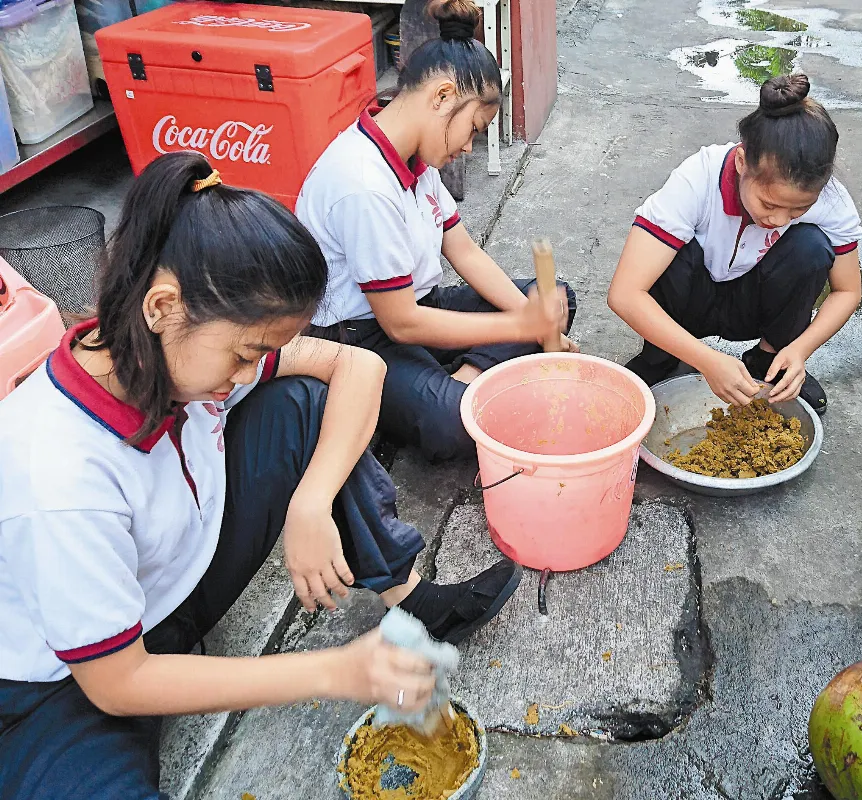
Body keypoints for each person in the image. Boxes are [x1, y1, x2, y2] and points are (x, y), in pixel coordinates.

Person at [0, 152, 521, 799]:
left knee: (300, 401)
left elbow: (359, 370)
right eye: (246, 354)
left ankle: (410, 593)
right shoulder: (58, 476)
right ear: (163, 307)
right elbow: (118, 683)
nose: (248, 373)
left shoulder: (172, 351)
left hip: (174, 589)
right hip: (59, 686)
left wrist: (312, 501)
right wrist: (334, 671)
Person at [297, 0, 576, 463]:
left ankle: (461, 377)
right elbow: (400, 322)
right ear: (442, 97)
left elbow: (464, 251)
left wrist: (537, 316)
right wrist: (519, 326)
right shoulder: (362, 184)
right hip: (362, 337)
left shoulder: (415, 159)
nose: (468, 145)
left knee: (557, 295)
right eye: (472, 128)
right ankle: (450, 389)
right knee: (456, 424)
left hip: (423, 308)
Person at [607, 72, 862, 413]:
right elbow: (624, 294)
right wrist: (706, 360)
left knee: (812, 247)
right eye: (769, 204)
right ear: (742, 162)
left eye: (799, 208)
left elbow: (848, 291)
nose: (780, 220)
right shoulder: (698, 179)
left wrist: (801, 349)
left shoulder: (831, 200)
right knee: (664, 251)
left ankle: (770, 362)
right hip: (690, 302)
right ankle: (661, 358)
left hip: (754, 304)